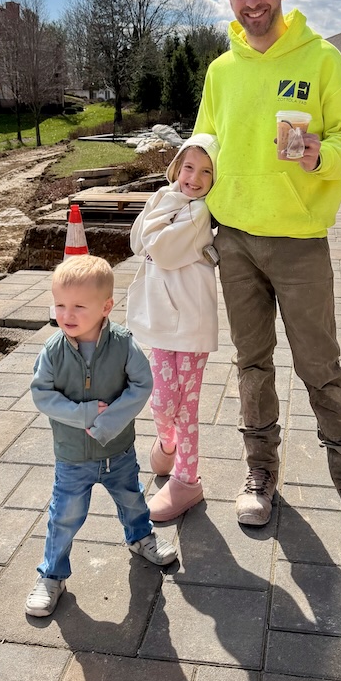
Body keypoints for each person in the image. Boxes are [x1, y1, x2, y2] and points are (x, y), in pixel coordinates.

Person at [192, 0, 341, 546]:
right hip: (235, 240)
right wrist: (185, 190)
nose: (251, 1)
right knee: (251, 364)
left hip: (301, 242)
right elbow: (205, 143)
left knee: (319, 366)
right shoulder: (222, 71)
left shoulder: (322, 59)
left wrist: (318, 157)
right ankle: (259, 474)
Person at [25, 254, 177, 617]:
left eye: (79, 306)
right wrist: (85, 414)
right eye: (60, 305)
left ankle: (141, 538)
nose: (67, 314)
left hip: (118, 451)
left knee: (132, 500)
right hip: (73, 455)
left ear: (106, 306)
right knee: (64, 515)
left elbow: (142, 384)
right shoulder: (53, 350)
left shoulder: (123, 344)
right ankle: (52, 575)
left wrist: (107, 424)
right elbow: (42, 394)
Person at [126, 134, 220, 521]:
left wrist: (157, 224)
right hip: (162, 318)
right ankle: (167, 445)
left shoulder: (200, 212)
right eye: (188, 168)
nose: (194, 179)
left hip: (192, 320)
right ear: (176, 167)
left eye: (206, 172)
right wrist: (162, 213)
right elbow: (136, 243)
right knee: (164, 401)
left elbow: (160, 250)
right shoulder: (163, 198)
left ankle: (187, 479)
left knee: (187, 405)